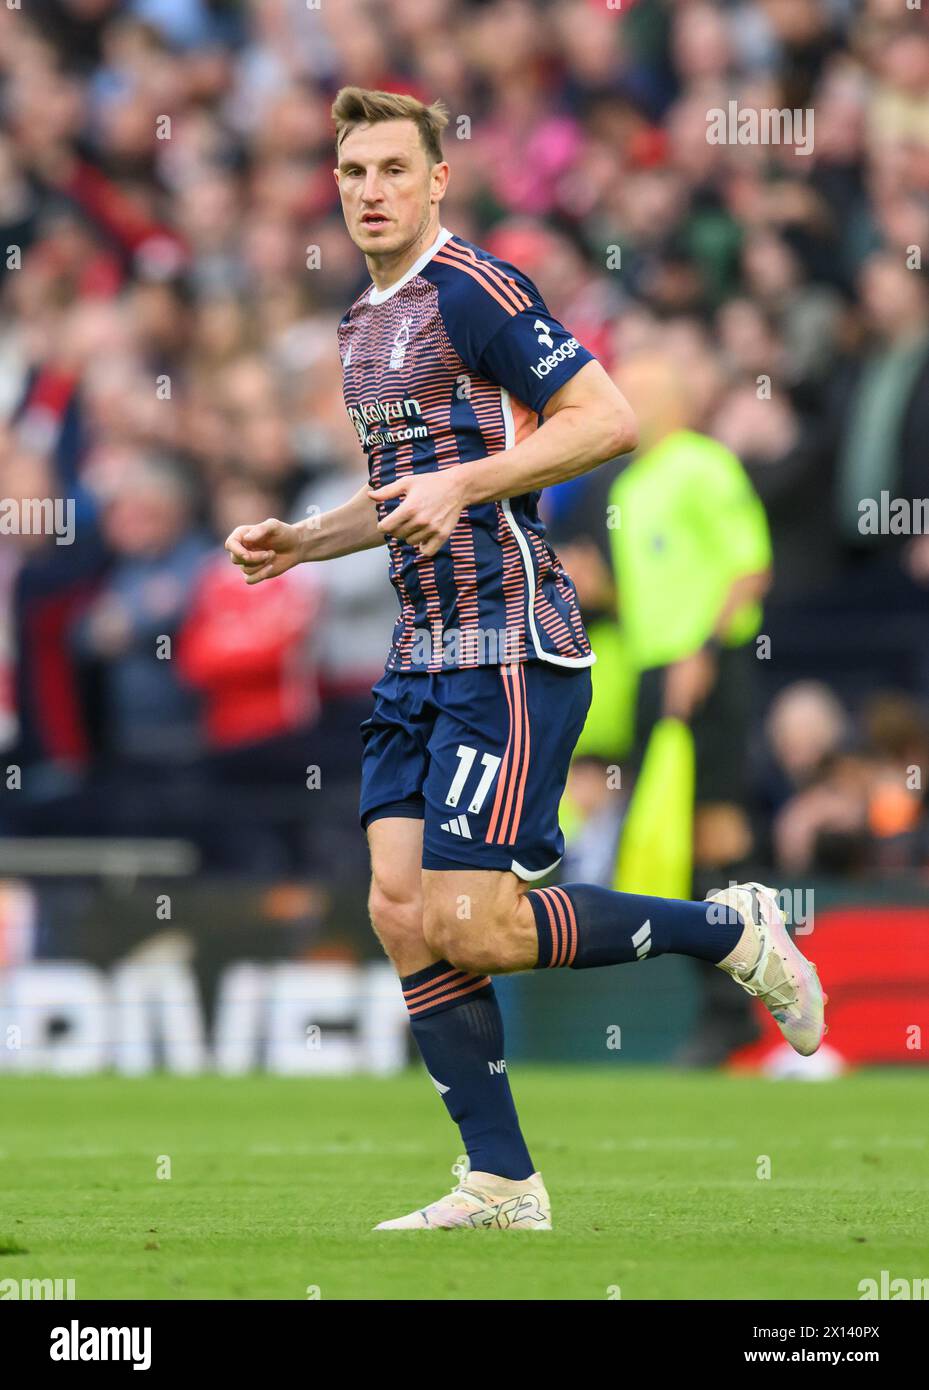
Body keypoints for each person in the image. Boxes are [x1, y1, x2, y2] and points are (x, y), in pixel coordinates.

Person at [224, 87, 826, 1232]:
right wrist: (306, 541)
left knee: (479, 925)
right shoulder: (360, 325)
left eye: (393, 169)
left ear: (436, 178)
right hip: (417, 652)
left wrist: (466, 482)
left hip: (508, 640)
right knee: (400, 910)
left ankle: (734, 933)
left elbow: (603, 419)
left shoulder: (479, 290)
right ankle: (500, 1179)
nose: (370, 192)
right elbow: (409, 490)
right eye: (352, 172)